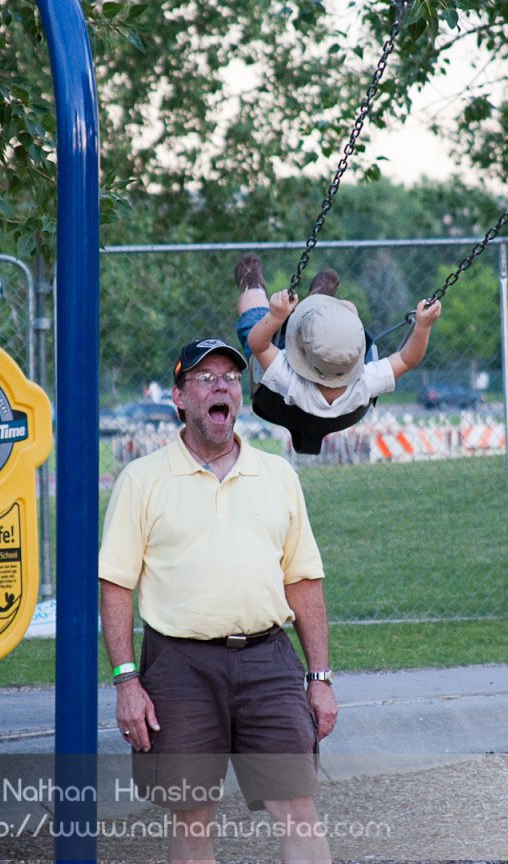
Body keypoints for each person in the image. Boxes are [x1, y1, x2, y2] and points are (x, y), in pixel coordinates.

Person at [99, 337, 337, 864]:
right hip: (179, 666)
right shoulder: (142, 480)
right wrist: (126, 680)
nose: (221, 385)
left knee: (298, 810)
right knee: (191, 820)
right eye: (205, 378)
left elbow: (303, 580)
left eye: (230, 376)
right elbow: (115, 583)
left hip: (268, 661)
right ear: (180, 398)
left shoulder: (277, 475)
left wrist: (319, 678)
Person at [235, 253, 442, 418]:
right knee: (344, 315)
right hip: (307, 353)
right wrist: (423, 327)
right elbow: (408, 359)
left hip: (279, 359)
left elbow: (258, 345)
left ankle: (252, 285)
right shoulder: (363, 383)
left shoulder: (290, 382)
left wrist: (275, 316)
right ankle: (321, 300)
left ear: (303, 350)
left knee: (254, 317)